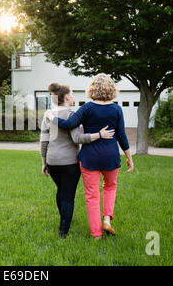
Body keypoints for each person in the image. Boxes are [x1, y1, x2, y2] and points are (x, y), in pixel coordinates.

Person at [49, 74, 134, 240]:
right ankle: (107, 219)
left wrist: (52, 117)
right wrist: (129, 157)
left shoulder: (87, 108)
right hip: (111, 156)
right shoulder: (117, 109)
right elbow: (122, 136)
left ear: (92, 88)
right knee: (110, 187)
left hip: (89, 158)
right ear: (111, 88)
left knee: (92, 196)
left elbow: (69, 124)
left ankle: (96, 235)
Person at [40, 82, 114, 238]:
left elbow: (43, 140)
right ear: (66, 97)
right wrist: (98, 135)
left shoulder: (48, 115)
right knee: (68, 197)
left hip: (52, 162)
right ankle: (63, 231)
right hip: (69, 163)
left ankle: (64, 219)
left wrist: (44, 162)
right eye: (72, 94)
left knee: (61, 190)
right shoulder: (71, 115)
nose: (73, 97)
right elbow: (77, 138)